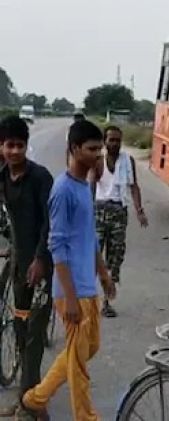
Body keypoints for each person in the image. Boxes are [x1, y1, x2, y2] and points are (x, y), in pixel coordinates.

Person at [22, 120, 116, 421]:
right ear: (74, 149)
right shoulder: (62, 190)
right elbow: (57, 246)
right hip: (71, 289)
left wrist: (104, 274)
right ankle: (85, 417)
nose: (98, 155)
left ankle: (35, 398)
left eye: (100, 149)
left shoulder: (83, 186)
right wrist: (70, 298)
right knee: (78, 365)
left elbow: (90, 237)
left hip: (87, 285)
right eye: (92, 149)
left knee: (87, 349)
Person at [0, 117, 53, 420]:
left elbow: (49, 222)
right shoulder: (3, 176)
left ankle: (31, 403)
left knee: (34, 333)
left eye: (20, 145)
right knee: (20, 327)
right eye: (10, 145)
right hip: (19, 265)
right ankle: (27, 395)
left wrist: (40, 259)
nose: (15, 151)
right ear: (1, 147)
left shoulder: (40, 177)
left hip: (42, 267)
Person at [91, 125, 148, 318]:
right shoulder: (98, 161)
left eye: (118, 140)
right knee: (93, 257)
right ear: (105, 141)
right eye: (111, 140)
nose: (115, 143)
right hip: (99, 212)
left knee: (115, 258)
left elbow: (134, 186)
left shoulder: (127, 161)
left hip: (118, 213)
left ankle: (106, 302)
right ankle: (88, 300)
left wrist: (139, 210)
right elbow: (91, 187)